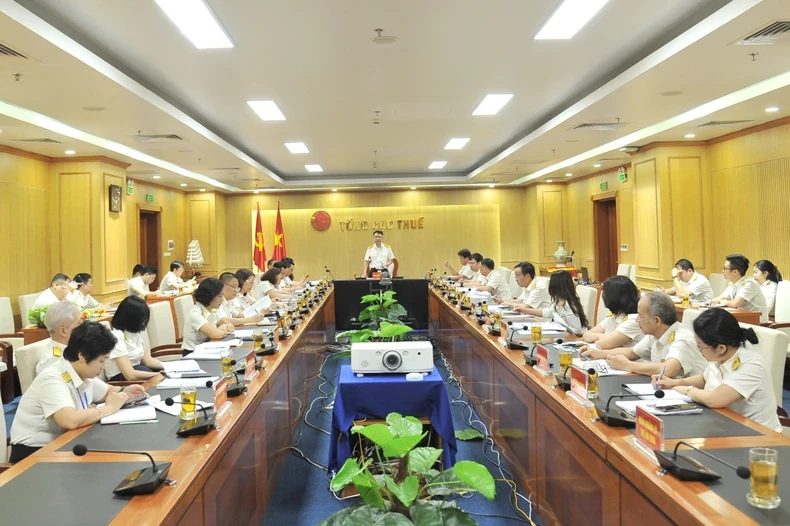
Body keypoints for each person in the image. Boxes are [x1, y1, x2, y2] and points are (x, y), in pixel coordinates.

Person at [9, 322, 146, 463]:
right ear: (82, 356)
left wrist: (125, 392)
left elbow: (108, 391)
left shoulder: (81, 372)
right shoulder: (52, 378)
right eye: (101, 361)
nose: (103, 366)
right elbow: (69, 420)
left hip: (66, 441)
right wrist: (109, 408)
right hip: (32, 453)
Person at [654, 309, 781, 433]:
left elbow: (714, 399)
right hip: (725, 424)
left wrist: (687, 390)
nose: (698, 350)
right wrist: (675, 382)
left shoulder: (749, 364)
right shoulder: (720, 357)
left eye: (700, 346)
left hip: (757, 435)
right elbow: (705, 378)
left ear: (721, 348)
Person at [582, 291, 707, 377]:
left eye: (641, 316)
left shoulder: (682, 338)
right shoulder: (655, 334)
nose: (637, 320)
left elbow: (669, 369)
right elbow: (632, 352)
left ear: (656, 320)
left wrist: (628, 365)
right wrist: (598, 354)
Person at [106, 296, 163, 382]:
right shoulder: (117, 339)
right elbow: (130, 375)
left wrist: (169, 367)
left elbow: (147, 360)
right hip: (123, 380)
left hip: (138, 371)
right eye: (143, 318)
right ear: (132, 319)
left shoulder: (133, 333)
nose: (145, 322)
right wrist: (159, 375)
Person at [517, 270, 588, 335]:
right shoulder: (560, 300)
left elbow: (577, 330)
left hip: (576, 338)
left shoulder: (568, 304)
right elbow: (548, 312)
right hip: (564, 335)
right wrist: (524, 310)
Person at [582, 276, 644, 349]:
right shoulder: (614, 316)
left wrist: (602, 338)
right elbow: (586, 335)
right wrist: (602, 336)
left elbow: (603, 344)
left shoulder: (634, 320)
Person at [182, 278, 235, 355]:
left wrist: (223, 327)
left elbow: (231, 326)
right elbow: (216, 334)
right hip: (193, 354)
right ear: (209, 295)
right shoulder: (195, 313)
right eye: (220, 296)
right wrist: (221, 329)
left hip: (208, 350)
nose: (222, 300)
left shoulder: (211, 310)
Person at [714, 254, 769, 322]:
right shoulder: (733, 284)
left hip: (758, 322)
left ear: (735, 272)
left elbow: (735, 304)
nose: (723, 271)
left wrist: (724, 302)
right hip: (744, 319)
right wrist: (711, 302)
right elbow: (721, 297)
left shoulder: (749, 284)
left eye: (725, 268)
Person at [34, 301, 82, 376]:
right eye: (79, 323)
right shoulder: (51, 363)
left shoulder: (76, 349)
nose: (84, 327)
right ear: (63, 331)